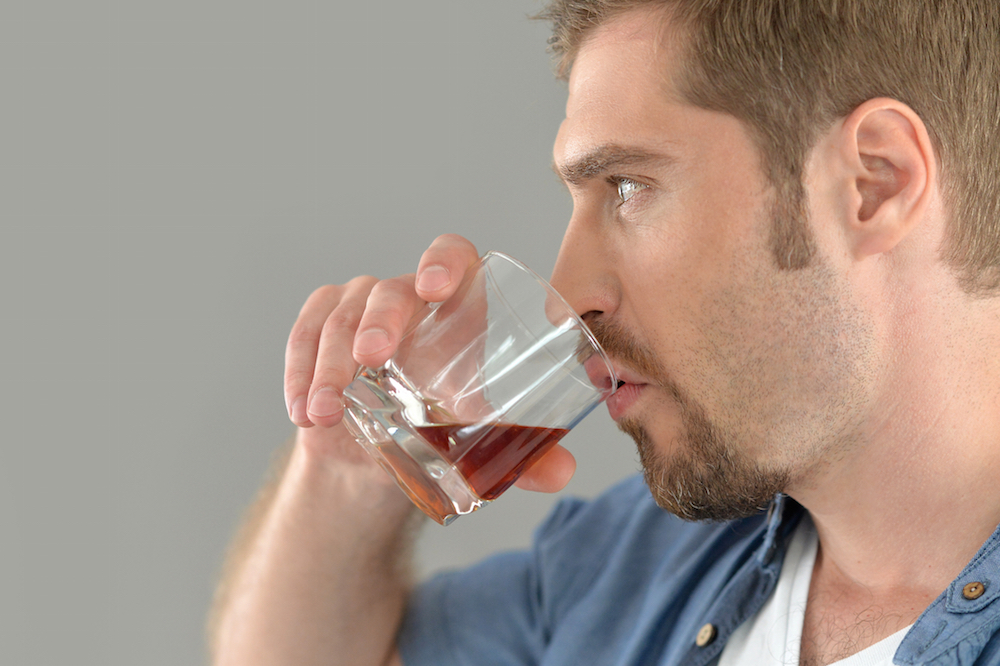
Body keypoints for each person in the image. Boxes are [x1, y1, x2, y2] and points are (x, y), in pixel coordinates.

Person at [208, 1, 1000, 664]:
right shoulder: (621, 568)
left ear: (874, 183)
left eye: (627, 187)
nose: (569, 295)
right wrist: (352, 472)